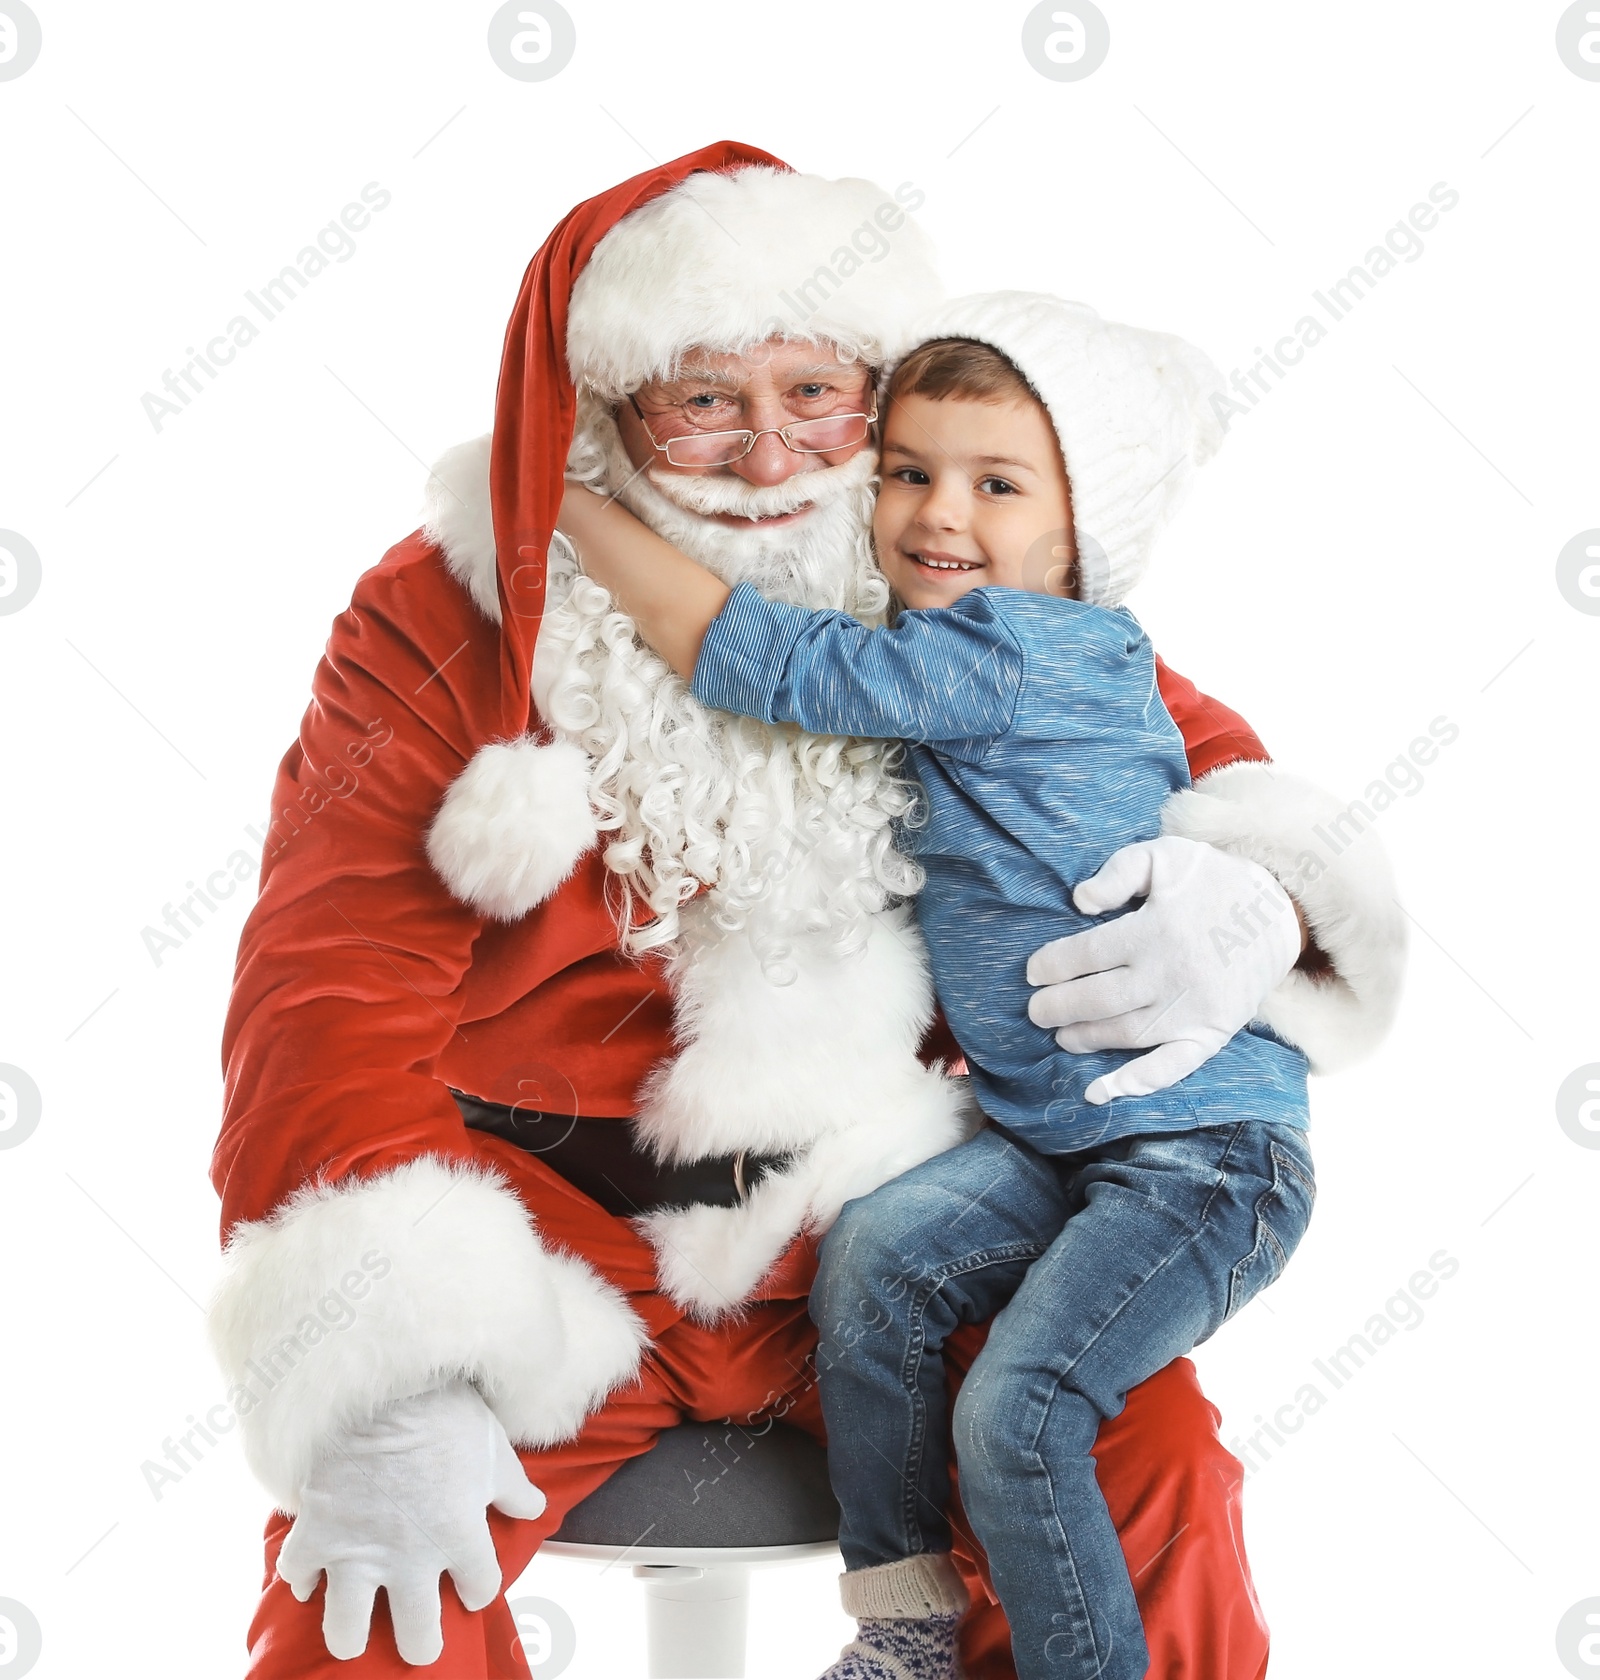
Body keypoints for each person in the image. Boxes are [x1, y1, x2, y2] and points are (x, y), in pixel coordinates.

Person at [207, 146, 1404, 1677]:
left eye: (818, 398)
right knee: (371, 1578)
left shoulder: (936, 581)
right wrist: (388, 1353)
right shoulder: (447, 608)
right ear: (607, 407)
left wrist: (1250, 882)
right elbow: (327, 987)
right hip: (552, 1241)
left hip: (891, 1212)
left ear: (877, 399)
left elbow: (1186, 751)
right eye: (702, 398)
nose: (771, 463)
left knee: (1149, 1473)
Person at [556, 290, 1324, 1680]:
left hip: (1203, 1161)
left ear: (1083, 526)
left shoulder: (1010, 647)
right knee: (882, 1257)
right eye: (906, 470)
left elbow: (760, 661)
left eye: (995, 482)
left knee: (1021, 1410)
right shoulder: (1034, 641)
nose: (934, 514)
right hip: (1062, 1140)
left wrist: (563, 503)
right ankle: (905, 1625)